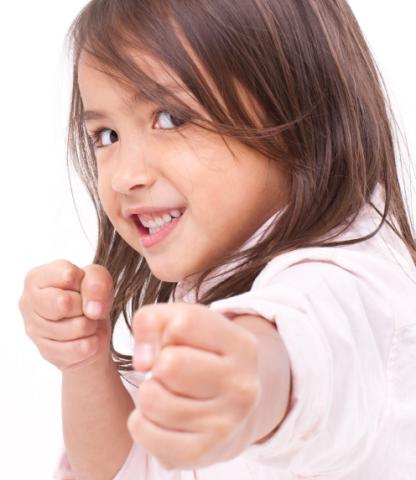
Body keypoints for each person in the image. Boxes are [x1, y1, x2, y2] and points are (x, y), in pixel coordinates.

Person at [18, 0, 416, 479]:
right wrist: (84, 365)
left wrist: (247, 379)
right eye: (106, 135)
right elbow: (128, 469)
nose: (124, 176)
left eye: (170, 119)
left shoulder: (351, 278)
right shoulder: (211, 286)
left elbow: (303, 349)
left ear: (299, 104)